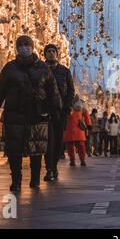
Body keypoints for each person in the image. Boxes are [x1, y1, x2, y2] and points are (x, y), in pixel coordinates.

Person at [0, 35, 62, 192]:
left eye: (27, 45)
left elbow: (53, 92)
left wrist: (56, 112)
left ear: (33, 48)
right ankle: (16, 180)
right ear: (16, 48)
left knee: (36, 148)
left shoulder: (43, 68)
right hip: (15, 114)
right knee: (14, 149)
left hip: (37, 114)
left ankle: (35, 179)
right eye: (20, 45)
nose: (24, 48)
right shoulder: (10, 68)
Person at [43, 44, 75, 182]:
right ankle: (49, 168)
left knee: (57, 140)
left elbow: (71, 91)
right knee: (47, 140)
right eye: (48, 51)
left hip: (60, 111)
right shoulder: (39, 69)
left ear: (57, 54)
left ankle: (54, 165)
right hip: (43, 110)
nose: (50, 53)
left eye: (53, 51)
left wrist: (67, 107)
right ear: (44, 54)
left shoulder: (64, 71)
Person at [63, 98, 88, 166]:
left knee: (76, 146)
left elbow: (86, 114)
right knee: (77, 146)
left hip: (73, 129)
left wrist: (89, 124)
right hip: (74, 129)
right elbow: (86, 114)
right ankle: (76, 160)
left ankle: (77, 160)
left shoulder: (67, 104)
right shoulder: (68, 104)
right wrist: (89, 124)